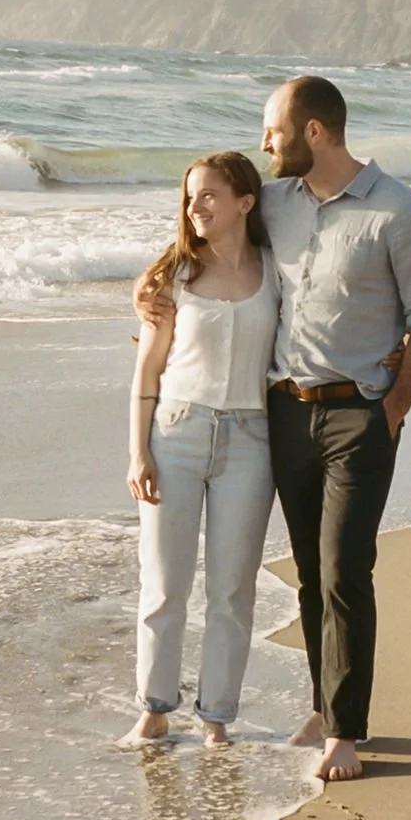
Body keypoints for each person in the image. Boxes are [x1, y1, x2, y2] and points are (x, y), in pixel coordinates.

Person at [138, 77, 411, 781]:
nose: (265, 144)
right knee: (312, 572)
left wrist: (393, 409)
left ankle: (345, 732)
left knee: (345, 568)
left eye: (274, 131)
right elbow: (211, 237)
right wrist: (153, 287)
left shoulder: (400, 212)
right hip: (283, 411)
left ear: (314, 131)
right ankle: (321, 705)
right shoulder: (276, 201)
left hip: (359, 413)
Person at [123, 153, 281, 748]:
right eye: (190, 197)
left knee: (232, 591)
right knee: (164, 585)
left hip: (252, 441)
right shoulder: (173, 277)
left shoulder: (278, 271)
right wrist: (138, 453)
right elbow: (146, 373)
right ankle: (154, 710)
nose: (196, 207)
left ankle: (216, 718)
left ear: (246, 202)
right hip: (176, 434)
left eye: (210, 195)